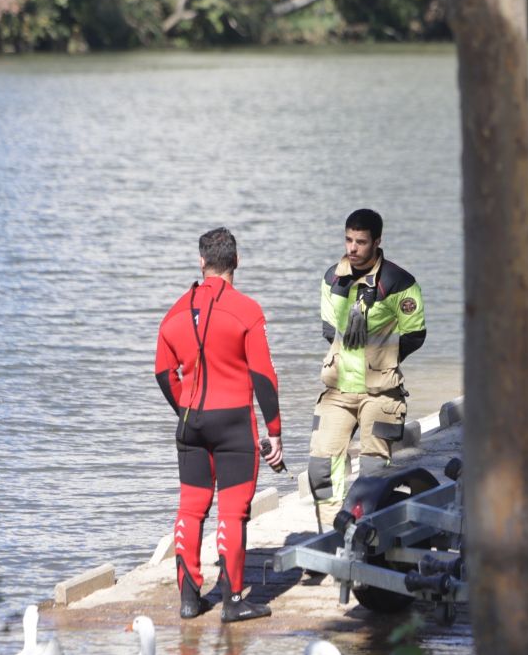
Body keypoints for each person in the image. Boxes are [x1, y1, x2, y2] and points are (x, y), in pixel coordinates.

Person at [154, 227, 283, 622]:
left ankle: (190, 601)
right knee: (232, 512)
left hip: (191, 423)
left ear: (201, 262)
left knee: (190, 510)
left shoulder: (174, 312)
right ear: (237, 261)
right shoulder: (246, 309)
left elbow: (162, 372)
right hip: (233, 426)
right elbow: (263, 376)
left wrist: (187, 410)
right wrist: (274, 432)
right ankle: (232, 601)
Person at [307, 208, 425, 530]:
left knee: (373, 474)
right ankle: (332, 535)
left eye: (360, 242)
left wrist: (383, 359)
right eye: (348, 240)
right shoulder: (332, 278)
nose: (352, 249)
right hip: (339, 388)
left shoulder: (399, 282)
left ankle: (368, 538)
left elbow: (415, 334)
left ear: (377, 242)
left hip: (381, 391)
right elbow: (330, 330)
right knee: (321, 466)